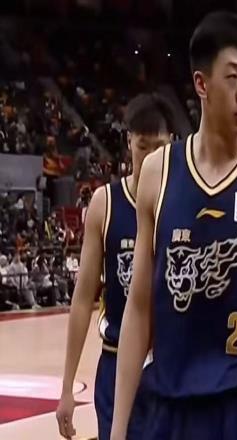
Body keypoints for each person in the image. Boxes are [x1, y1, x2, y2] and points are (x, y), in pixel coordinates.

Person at [111, 12, 237, 440]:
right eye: (232, 78)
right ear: (201, 84)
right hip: (169, 406)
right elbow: (139, 308)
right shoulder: (158, 173)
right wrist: (118, 428)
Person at [56, 94, 172, 440]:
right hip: (116, 362)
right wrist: (67, 387)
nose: (150, 157)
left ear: (172, 144)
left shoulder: (184, 204)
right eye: (143, 146)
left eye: (159, 148)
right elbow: (82, 300)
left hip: (169, 365)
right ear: (128, 142)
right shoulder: (105, 204)